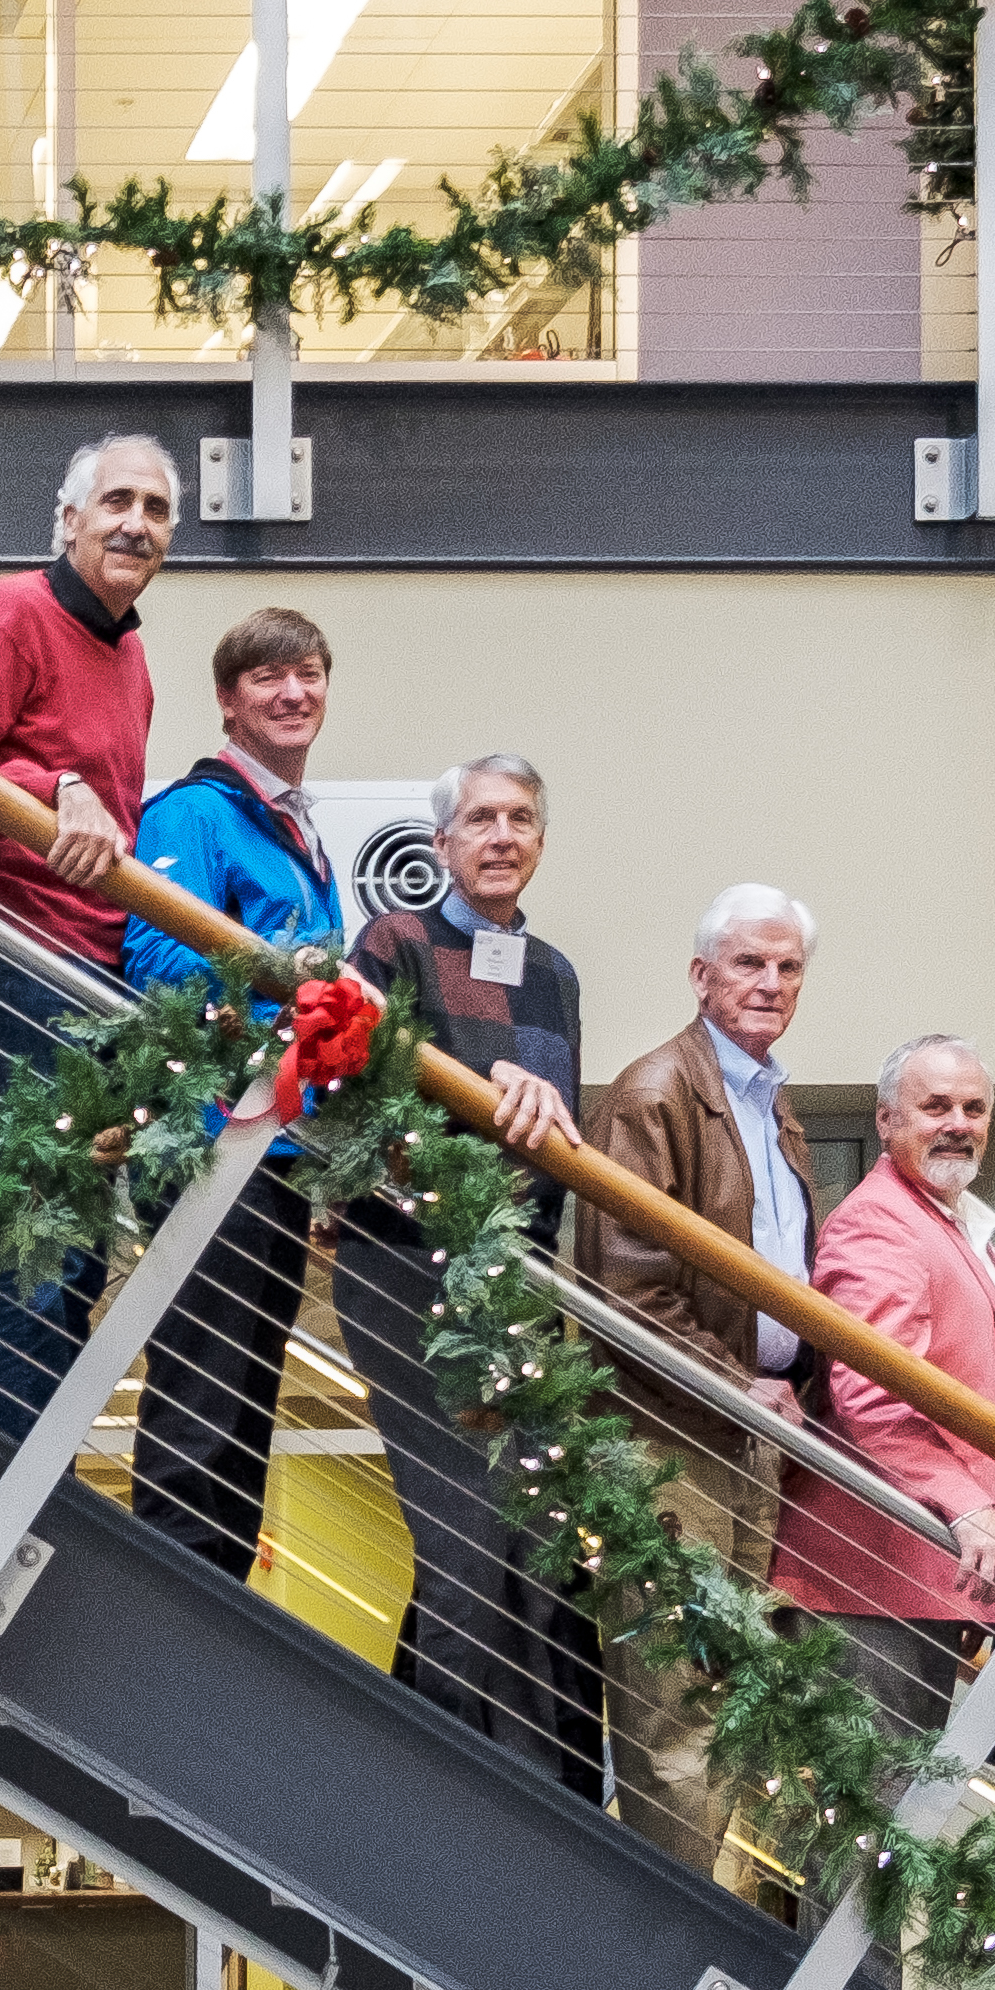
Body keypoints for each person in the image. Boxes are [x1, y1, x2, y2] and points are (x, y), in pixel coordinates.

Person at [344, 756, 601, 1787]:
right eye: (481, 819)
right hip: (407, 1269)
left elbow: (554, 1144)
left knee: (532, 1542)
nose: (503, 835)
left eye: (523, 818)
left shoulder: (557, 974)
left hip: (517, 1285)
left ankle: (510, 1780)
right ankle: (459, 1788)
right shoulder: (395, 941)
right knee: (464, 1539)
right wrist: (472, 1086)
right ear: (442, 843)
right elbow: (352, 1095)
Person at [0, 431, 173, 1435]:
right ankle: (16, 1477)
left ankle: (29, 1469)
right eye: (116, 502)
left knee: (73, 1233)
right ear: (69, 519)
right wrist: (50, 786)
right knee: (51, 1227)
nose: (135, 524)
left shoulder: (133, 652)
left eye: (155, 510)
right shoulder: (8, 612)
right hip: (15, 953)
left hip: (96, 967)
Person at [116, 608, 349, 1584]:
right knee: (201, 1398)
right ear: (227, 699)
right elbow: (160, 962)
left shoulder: (301, 835)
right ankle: (172, 1619)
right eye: (267, 678)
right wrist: (282, 981)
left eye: (307, 674)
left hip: (280, 1158)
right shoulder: (192, 814)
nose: (292, 693)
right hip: (214, 1145)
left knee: (250, 1402)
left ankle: (221, 1606)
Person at [791, 1034, 995, 1738]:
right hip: (874, 1574)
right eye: (935, 1106)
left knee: (890, 1823)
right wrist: (967, 1508)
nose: (958, 1123)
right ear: (885, 1120)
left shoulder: (952, 1223)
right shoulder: (878, 1225)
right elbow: (873, 1394)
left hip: (926, 1576)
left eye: (973, 1107)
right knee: (862, 1825)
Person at [579, 885, 819, 1413]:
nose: (771, 985)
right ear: (701, 976)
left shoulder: (770, 1104)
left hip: (762, 1416)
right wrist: (733, 1384)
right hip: (676, 1431)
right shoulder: (653, 1096)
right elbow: (629, 1291)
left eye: (789, 968)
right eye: (749, 963)